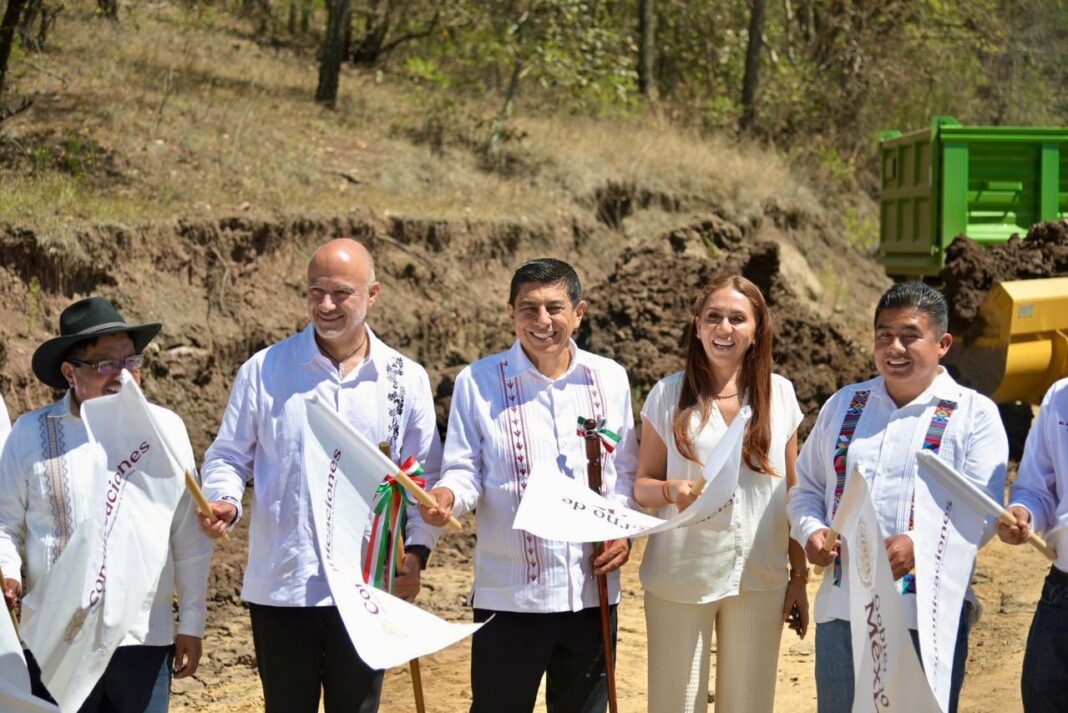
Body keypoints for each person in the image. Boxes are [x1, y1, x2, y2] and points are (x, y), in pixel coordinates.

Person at [198, 238, 442, 713]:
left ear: (373, 294)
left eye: (341, 293)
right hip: (284, 585)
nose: (326, 305)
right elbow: (227, 455)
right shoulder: (265, 370)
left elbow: (423, 479)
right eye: (316, 292)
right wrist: (224, 498)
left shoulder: (404, 378)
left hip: (368, 588)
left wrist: (416, 553)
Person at [419, 257, 638, 713]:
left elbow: (624, 473)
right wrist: (446, 498)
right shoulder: (477, 382)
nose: (542, 321)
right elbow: (463, 470)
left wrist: (621, 532)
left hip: (591, 594)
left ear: (579, 312)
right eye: (528, 308)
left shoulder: (610, 378)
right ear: (510, 312)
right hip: (510, 596)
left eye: (555, 308)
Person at [788, 281, 1007, 713]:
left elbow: (983, 511)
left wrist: (919, 545)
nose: (895, 348)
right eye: (884, 335)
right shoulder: (844, 405)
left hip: (926, 615)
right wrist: (811, 531)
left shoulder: (973, 414)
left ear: (943, 344)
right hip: (842, 612)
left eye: (910, 336)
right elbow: (806, 488)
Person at [0, 296, 211, 711]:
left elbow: (188, 533)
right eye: (106, 364)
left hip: (142, 637)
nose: (123, 374)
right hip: (56, 640)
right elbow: (4, 522)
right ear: (69, 372)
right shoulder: (28, 434)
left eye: (131, 361)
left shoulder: (165, 430)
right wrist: (8, 570)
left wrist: (192, 621)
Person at [632, 275, 808, 713]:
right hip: (681, 576)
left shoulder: (781, 395)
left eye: (737, 318)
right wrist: (672, 489)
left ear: (757, 330)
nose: (723, 328)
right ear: (697, 326)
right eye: (713, 317)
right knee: (675, 705)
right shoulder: (667, 395)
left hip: (759, 577)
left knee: (749, 705)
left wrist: (799, 577)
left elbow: (794, 494)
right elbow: (642, 485)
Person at [998, 377, 1068, 712]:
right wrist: (1024, 512)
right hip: (1063, 592)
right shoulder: (1060, 397)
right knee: (1043, 699)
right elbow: (1037, 487)